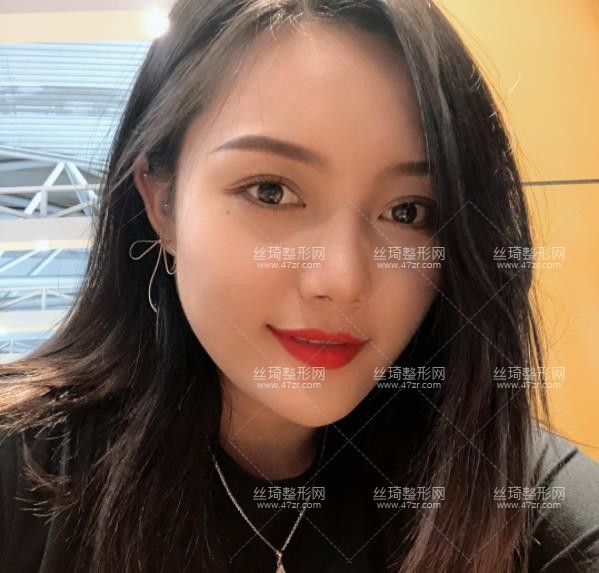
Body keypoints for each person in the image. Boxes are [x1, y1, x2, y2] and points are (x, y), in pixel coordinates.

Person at [1, 0, 598, 571]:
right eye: (271, 191)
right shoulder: (21, 471)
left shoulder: (497, 485)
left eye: (409, 211)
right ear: (163, 205)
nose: (343, 280)